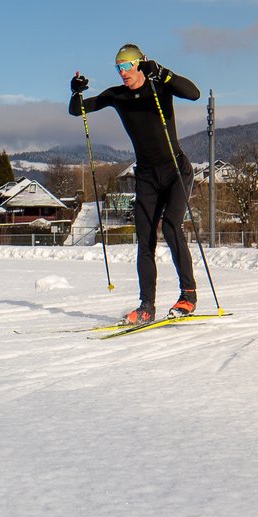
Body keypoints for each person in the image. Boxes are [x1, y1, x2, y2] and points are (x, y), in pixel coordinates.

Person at [69, 44, 202, 325]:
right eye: (118, 67)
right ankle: (147, 306)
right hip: (146, 176)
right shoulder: (117, 96)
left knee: (170, 225)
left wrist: (164, 73)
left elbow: (193, 93)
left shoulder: (160, 86)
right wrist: (76, 91)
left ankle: (187, 296)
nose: (122, 72)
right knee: (145, 238)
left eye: (127, 66)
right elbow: (78, 110)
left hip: (176, 170)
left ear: (140, 63)